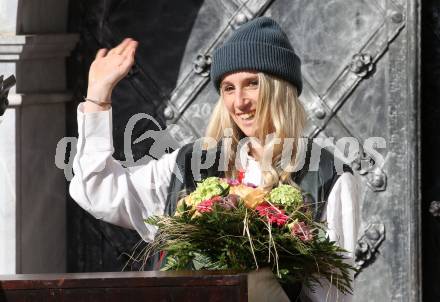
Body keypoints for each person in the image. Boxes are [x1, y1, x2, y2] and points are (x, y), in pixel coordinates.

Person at [70, 17, 359, 301]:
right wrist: (98, 95)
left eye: (252, 84)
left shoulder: (326, 175)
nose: (239, 102)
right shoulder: (189, 165)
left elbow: (331, 294)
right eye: (228, 88)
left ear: (280, 88)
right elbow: (96, 189)